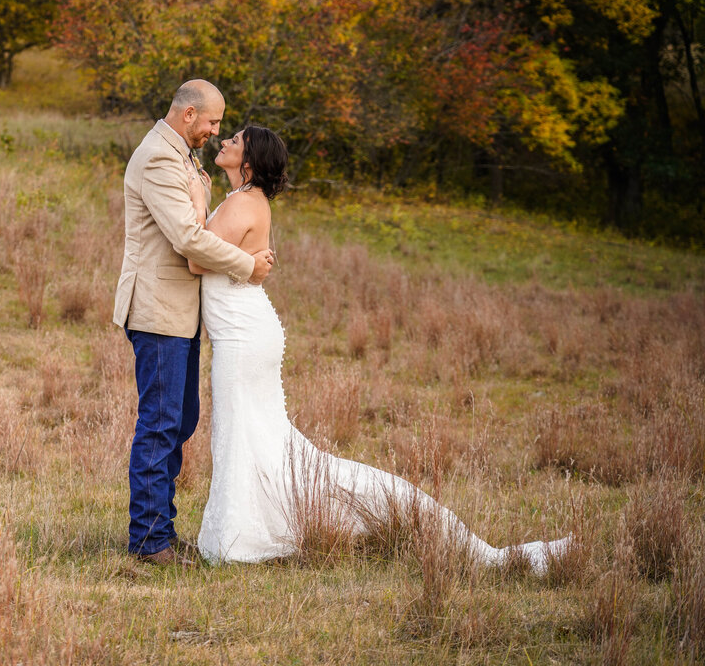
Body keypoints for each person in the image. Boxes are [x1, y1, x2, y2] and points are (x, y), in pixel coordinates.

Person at [188, 125, 572, 573]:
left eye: (235, 140)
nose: (226, 142)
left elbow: (197, 257)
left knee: (245, 435)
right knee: (261, 440)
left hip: (242, 336)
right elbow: (216, 250)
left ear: (249, 159)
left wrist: (198, 196)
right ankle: (255, 531)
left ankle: (239, 541)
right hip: (247, 330)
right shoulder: (248, 200)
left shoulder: (241, 202)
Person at [113, 80, 276, 566]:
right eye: (212, 122)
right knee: (161, 424)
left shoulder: (183, 155)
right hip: (159, 309)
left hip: (181, 313)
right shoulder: (159, 158)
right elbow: (186, 236)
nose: (214, 131)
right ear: (188, 116)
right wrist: (248, 265)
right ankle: (148, 541)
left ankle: (160, 527)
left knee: (180, 419)